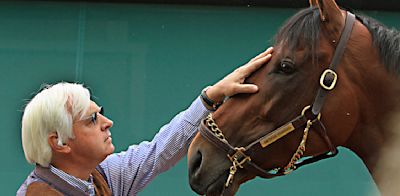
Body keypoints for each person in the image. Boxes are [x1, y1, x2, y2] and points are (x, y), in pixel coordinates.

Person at [17, 47, 273, 196]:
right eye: (92, 119)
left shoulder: (99, 175)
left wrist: (210, 97)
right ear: (60, 143)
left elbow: (157, 152)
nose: (108, 122)